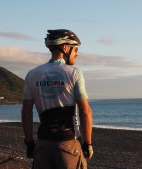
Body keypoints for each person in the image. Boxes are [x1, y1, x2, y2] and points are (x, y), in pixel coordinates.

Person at [21, 29, 93, 169]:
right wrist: (87, 144)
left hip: (43, 145)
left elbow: (26, 112)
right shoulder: (74, 73)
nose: (77, 53)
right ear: (65, 48)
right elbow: (85, 112)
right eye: (75, 49)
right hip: (68, 143)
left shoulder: (32, 74)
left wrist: (29, 143)